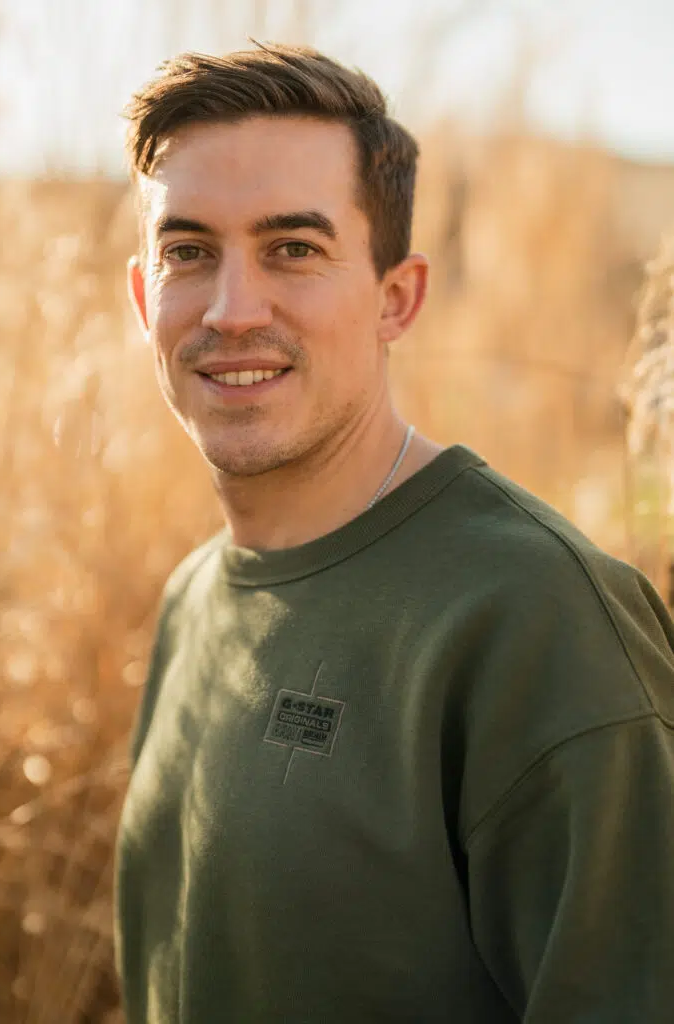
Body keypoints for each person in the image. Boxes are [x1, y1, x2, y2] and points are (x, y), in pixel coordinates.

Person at [115, 43, 674, 1024]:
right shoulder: (193, 596)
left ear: (394, 298)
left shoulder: (538, 619)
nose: (231, 309)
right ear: (141, 298)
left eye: (293, 247)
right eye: (188, 250)